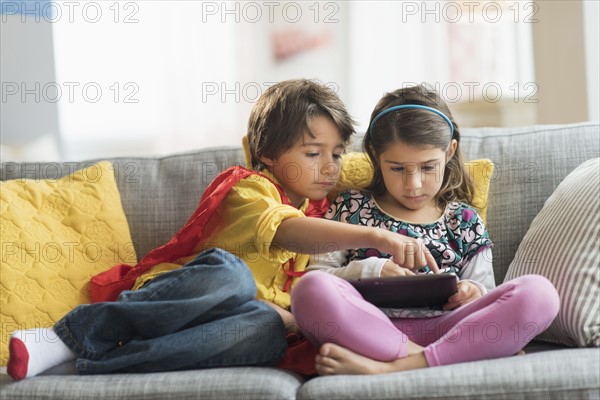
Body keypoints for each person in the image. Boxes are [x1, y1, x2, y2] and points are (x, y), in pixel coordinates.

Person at [7, 79, 439, 381]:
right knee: (231, 275)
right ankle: (71, 334)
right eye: (313, 153)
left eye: (338, 154)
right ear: (267, 153)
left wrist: (288, 315)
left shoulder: (325, 207)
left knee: (268, 332)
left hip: (220, 327)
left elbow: (299, 298)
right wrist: (378, 237)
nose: (330, 167)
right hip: (181, 302)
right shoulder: (248, 188)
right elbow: (286, 232)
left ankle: (84, 364)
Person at [290, 84, 561, 375]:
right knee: (309, 289)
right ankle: (429, 358)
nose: (413, 184)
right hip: (370, 327)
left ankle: (391, 368)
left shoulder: (464, 220)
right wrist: (371, 270)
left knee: (540, 293)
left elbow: (488, 296)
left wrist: (472, 291)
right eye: (397, 168)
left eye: (428, 167)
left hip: (451, 329)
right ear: (374, 154)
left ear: (450, 152)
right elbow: (318, 277)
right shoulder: (351, 206)